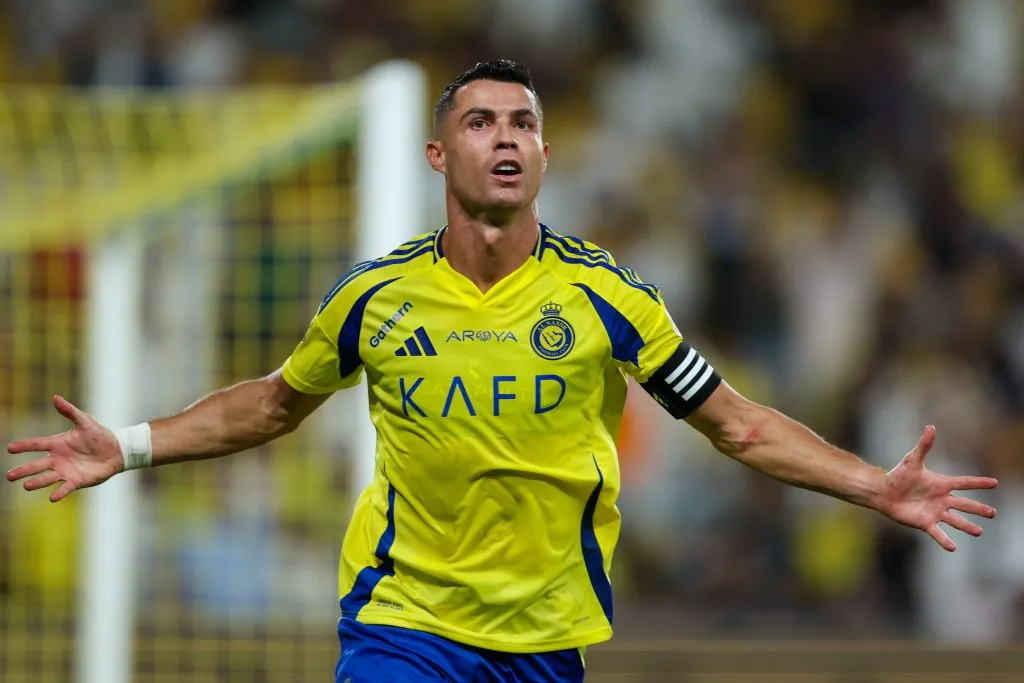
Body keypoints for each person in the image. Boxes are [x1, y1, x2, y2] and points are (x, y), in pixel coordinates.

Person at [6, 60, 999, 683]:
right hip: (402, 620)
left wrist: (874, 483)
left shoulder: (612, 299)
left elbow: (735, 422)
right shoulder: (374, 297)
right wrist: (129, 444)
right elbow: (271, 405)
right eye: (481, 123)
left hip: (542, 636)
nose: (506, 138)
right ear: (440, 154)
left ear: (545, 152)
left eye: (521, 123)